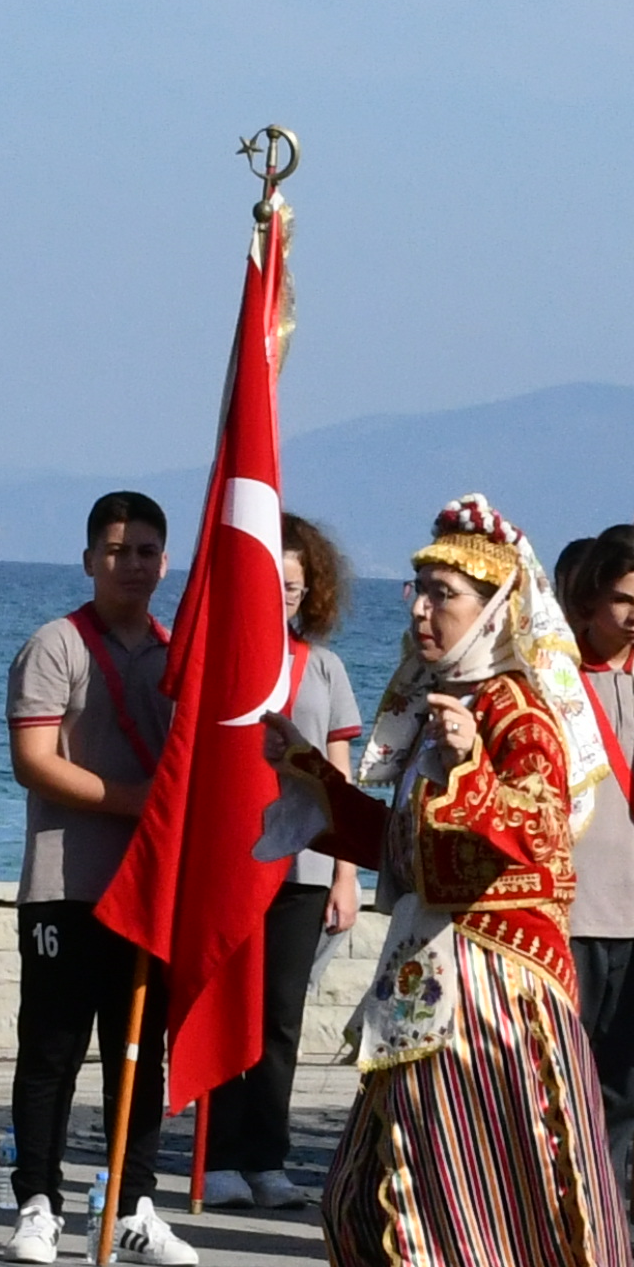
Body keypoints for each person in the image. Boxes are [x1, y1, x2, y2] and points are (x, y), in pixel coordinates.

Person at [258, 497, 634, 1267]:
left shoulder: (519, 709)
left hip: (492, 989)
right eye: (419, 594)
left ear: (498, 604)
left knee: (473, 1185)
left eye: (446, 596)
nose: (423, 613)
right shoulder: (448, 709)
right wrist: (311, 777)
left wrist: (472, 774)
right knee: (397, 1184)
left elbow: (539, 830)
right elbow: (404, 841)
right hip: (433, 982)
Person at [4, 489, 192, 1265]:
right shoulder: (56, 645)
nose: (132, 564)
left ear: (166, 561)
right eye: (117, 550)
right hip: (64, 883)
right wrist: (134, 803)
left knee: (140, 1051)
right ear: (89, 560)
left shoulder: (177, 651)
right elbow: (33, 762)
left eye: (147, 550)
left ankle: (132, 1202)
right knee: (51, 1048)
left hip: (147, 889)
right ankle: (38, 1201)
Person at [208, 518, 359, 1211]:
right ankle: (214, 1154)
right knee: (223, 1004)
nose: (286, 600)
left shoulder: (324, 667)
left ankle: (265, 1156)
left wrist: (347, 873)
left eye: (295, 589)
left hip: (302, 871)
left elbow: (339, 775)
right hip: (230, 860)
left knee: (280, 1016)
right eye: (274, 587)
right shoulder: (223, 661)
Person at [549, 528, 634, 1227]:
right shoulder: (550, 685)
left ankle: (596, 1212)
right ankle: (549, 1200)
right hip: (567, 911)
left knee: (623, 1082)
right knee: (561, 1073)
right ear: (589, 602)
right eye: (622, 599)